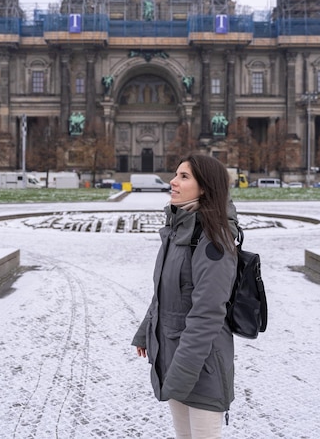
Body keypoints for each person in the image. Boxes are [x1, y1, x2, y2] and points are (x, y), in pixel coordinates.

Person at [132, 154, 238, 439]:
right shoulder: (178, 231)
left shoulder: (213, 239)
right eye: (176, 174)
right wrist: (145, 332)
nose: (173, 181)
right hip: (176, 360)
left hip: (201, 367)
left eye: (183, 176)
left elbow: (208, 315)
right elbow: (164, 294)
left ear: (205, 187)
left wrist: (181, 373)